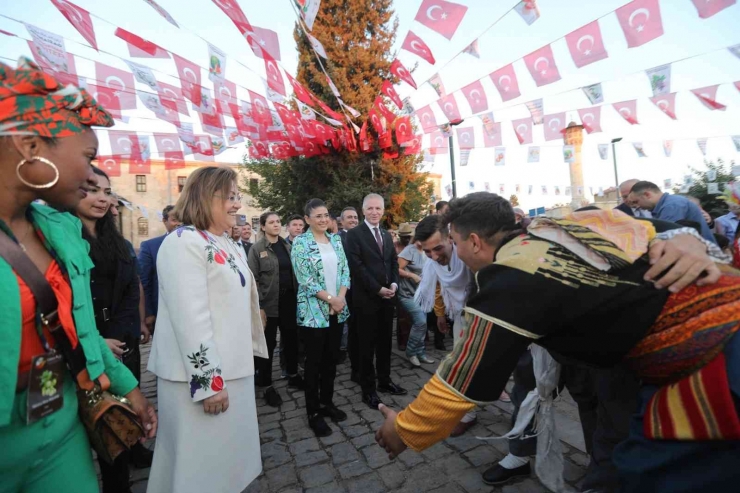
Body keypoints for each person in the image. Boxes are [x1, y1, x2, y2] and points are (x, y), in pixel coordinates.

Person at [376, 192, 738, 493]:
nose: (454, 252)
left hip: (711, 358)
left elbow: (462, 378)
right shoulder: (564, 225)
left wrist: (403, 430)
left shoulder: (507, 277)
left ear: (473, 241)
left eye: (453, 243)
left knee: (656, 475)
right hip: (707, 337)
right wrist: (687, 238)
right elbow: (665, 230)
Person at [0, 57, 156, 493]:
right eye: (88, 157)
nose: (91, 175)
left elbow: (81, 330)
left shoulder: (61, 232)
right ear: (31, 148)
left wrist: (129, 389)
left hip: (62, 430)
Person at [146, 166, 268, 493]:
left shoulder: (223, 242)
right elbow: (191, 317)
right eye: (230, 197)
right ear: (205, 196)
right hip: (200, 381)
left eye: (238, 197)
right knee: (197, 471)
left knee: (226, 467)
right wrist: (209, 383)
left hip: (233, 370)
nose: (237, 205)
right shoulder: (183, 242)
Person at [74, 166, 154, 491]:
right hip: (87, 343)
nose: (102, 198)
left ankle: (131, 456)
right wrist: (98, 340)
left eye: (107, 192)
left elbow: (131, 289)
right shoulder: (64, 241)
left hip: (122, 341)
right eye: (92, 189)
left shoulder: (116, 240)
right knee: (101, 423)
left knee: (125, 414)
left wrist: (121, 333)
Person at [290, 198, 351, 436]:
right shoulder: (301, 243)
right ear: (307, 219)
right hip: (314, 315)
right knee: (314, 364)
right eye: (318, 216)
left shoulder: (336, 239)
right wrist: (331, 299)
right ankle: (313, 412)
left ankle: (327, 403)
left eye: (326, 215)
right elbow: (305, 280)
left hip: (337, 310)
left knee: (331, 361)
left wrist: (341, 298)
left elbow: (345, 270)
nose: (324, 219)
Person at [346, 193, 407, 409]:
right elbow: (357, 267)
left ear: (383, 211)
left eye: (378, 209)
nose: (374, 212)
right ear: (363, 211)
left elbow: (392, 262)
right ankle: (368, 389)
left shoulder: (385, 234)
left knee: (384, 344)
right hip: (366, 301)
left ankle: (385, 381)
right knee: (366, 346)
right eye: (370, 208)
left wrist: (394, 285)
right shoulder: (353, 235)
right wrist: (378, 289)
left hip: (387, 299)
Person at [248, 211, 304, 408]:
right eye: (271, 222)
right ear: (263, 226)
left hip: (289, 301)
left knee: (290, 340)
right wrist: (259, 307)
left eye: (278, 221)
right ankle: (265, 384)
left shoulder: (288, 245)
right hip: (268, 304)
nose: (276, 225)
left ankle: (292, 374)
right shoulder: (257, 249)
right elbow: (252, 279)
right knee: (268, 345)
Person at [397, 223, 435, 367]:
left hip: (422, 294)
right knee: (421, 322)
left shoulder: (427, 251)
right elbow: (396, 268)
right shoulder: (409, 250)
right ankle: (411, 352)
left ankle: (421, 353)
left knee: (422, 325)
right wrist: (411, 275)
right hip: (407, 294)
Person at [629, 181, 716, 243]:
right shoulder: (670, 203)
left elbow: (665, 239)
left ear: (647, 195)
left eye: (636, 201)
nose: (637, 206)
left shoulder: (671, 206)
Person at [138, 204, 178, 337]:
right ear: (165, 221)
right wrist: (148, 314)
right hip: (161, 314)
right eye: (174, 219)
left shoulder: (196, 244)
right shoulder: (150, 247)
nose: (179, 223)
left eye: (182, 219)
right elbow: (145, 282)